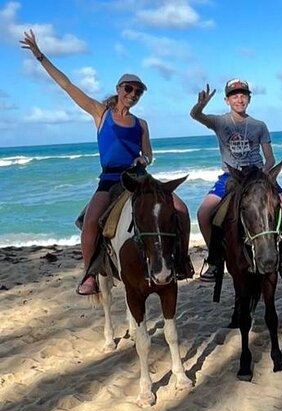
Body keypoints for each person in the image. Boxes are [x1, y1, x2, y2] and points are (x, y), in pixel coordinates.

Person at [19, 30, 194, 295]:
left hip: (139, 178)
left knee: (179, 209)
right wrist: (40, 56)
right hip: (111, 179)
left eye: (138, 92)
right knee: (91, 222)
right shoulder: (101, 113)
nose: (133, 94)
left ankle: (181, 261)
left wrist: (143, 158)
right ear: (119, 89)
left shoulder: (141, 123)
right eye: (129, 89)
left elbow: (149, 154)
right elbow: (67, 85)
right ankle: (89, 274)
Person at [190, 79, 282, 280]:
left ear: (249, 99)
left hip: (258, 175)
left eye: (243, 95)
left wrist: (265, 173)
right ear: (227, 100)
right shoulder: (220, 122)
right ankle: (215, 259)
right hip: (231, 176)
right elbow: (196, 115)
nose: (239, 99)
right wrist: (201, 105)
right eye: (234, 96)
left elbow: (270, 157)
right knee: (203, 213)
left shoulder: (258, 125)